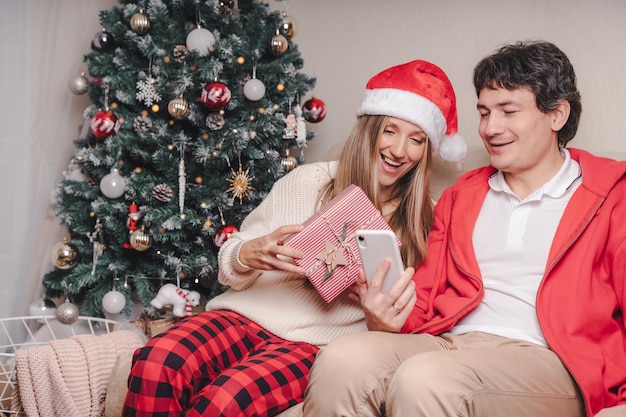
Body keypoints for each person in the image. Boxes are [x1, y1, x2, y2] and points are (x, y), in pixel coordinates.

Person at [121, 59, 467, 417]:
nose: (399, 150)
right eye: (390, 131)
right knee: (155, 360)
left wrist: (377, 316)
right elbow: (230, 264)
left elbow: (404, 321)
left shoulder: (426, 220)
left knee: (225, 400)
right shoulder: (310, 180)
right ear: (370, 130)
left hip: (312, 344)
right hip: (243, 316)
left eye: (417, 140)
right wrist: (248, 254)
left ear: (426, 151)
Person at [302, 40, 626, 417]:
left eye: (508, 111)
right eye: (484, 112)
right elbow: (421, 302)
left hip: (551, 360)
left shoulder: (610, 194)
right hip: (451, 344)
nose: (490, 128)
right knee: (342, 358)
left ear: (557, 115)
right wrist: (384, 316)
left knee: (426, 379)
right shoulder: (463, 195)